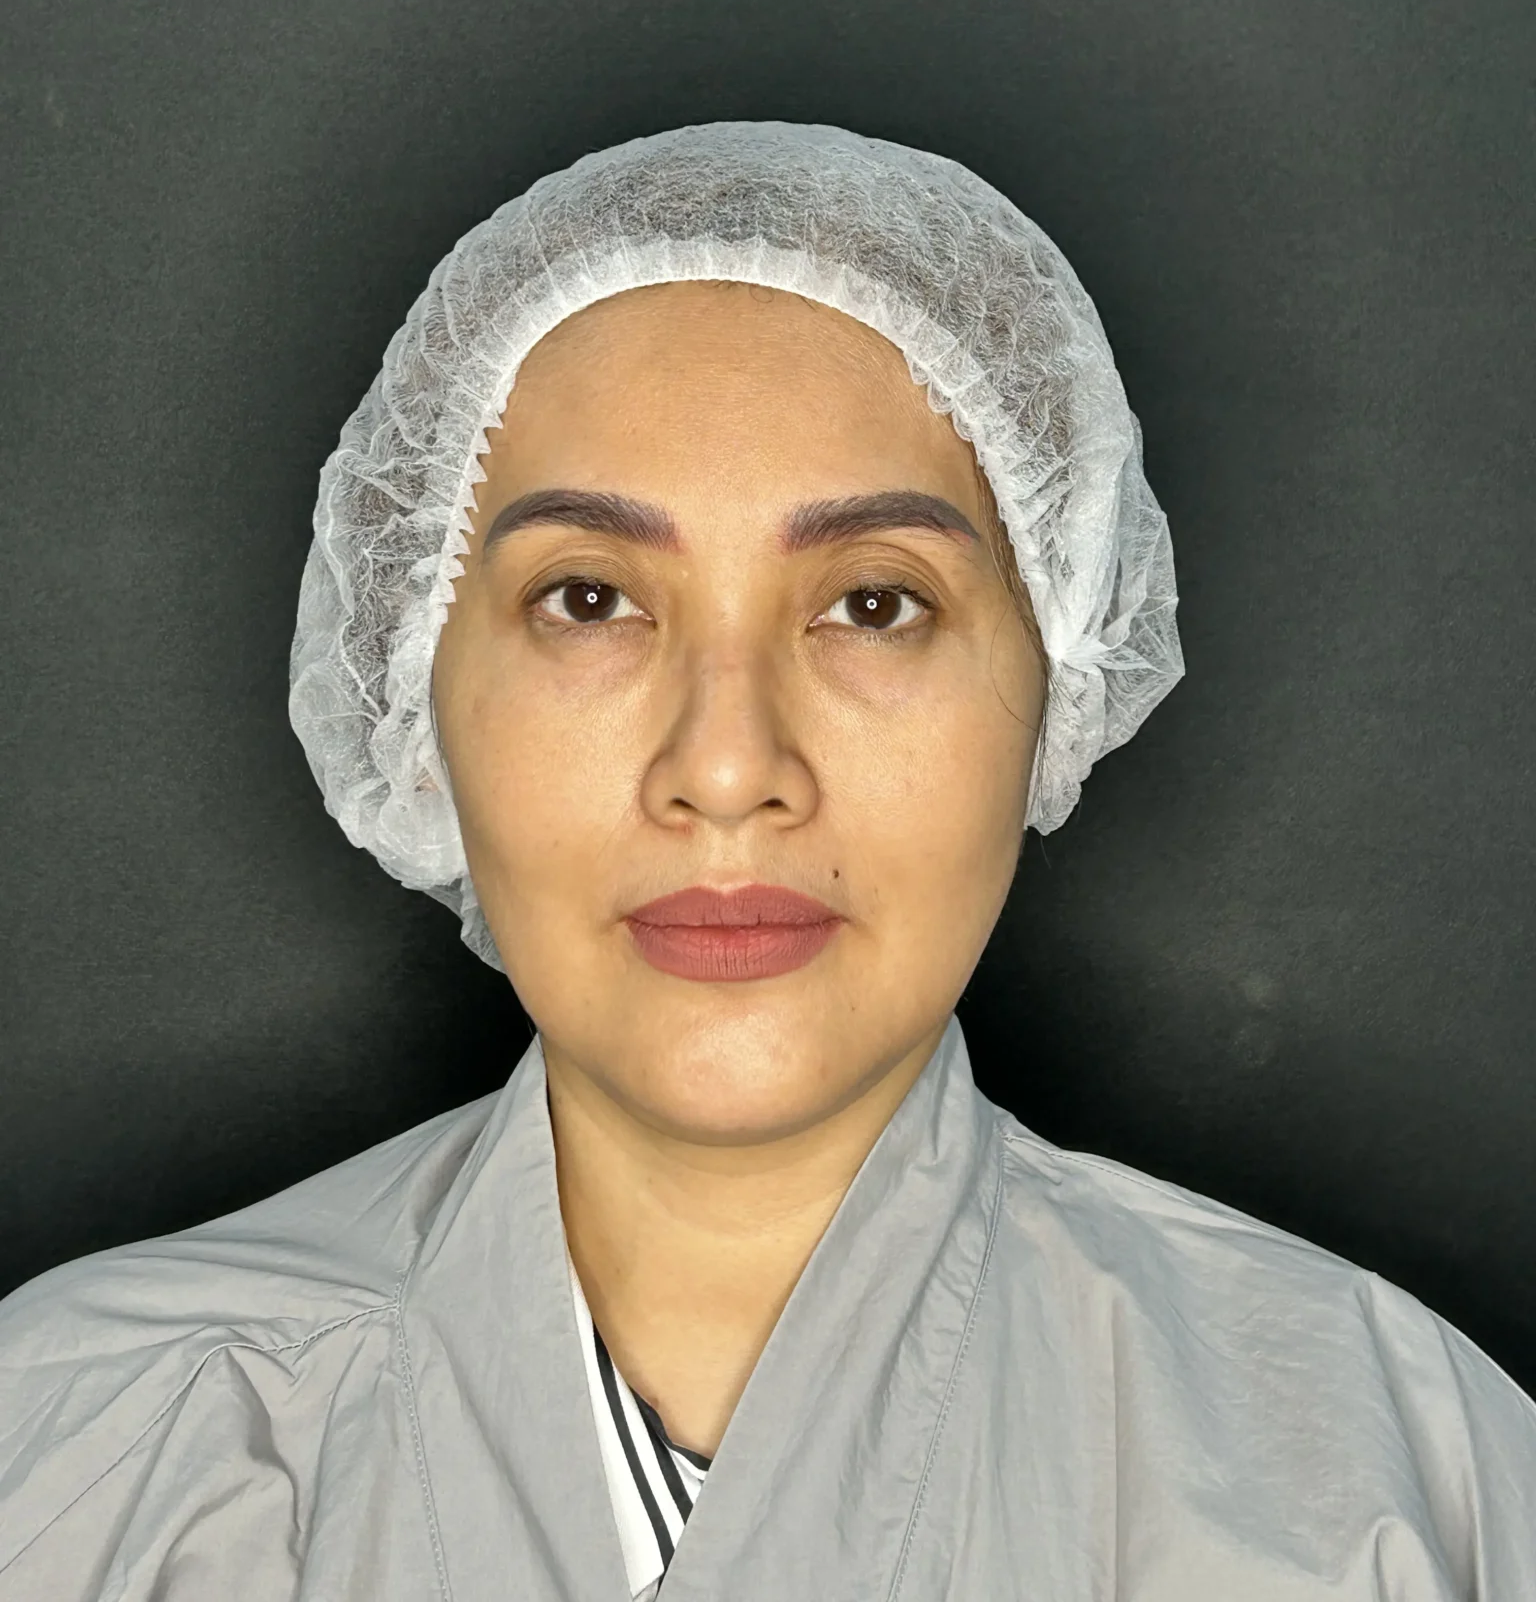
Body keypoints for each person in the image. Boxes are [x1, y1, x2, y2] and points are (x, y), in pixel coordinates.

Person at [0, 122, 1531, 1600]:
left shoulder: (1398, 1496)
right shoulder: (78, 1456)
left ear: (1058, 676)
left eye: (874, 604)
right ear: (415, 693)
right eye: (588, 600)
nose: (728, 770)